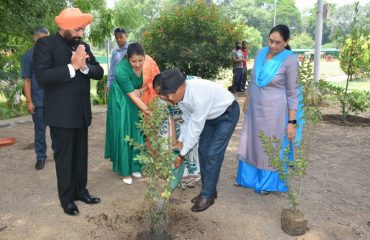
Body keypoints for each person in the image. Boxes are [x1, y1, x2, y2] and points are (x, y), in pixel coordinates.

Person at [33, 8, 104, 216]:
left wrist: (84, 68)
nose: (81, 33)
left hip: (81, 113)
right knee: (64, 159)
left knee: (81, 157)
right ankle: (67, 200)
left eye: (82, 29)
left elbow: (98, 72)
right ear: (63, 27)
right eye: (77, 29)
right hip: (61, 116)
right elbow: (42, 76)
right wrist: (72, 67)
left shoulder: (83, 45)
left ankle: (81, 192)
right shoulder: (45, 45)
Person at [155, 68, 240, 212]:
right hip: (210, 117)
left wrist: (182, 154)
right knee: (203, 151)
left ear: (182, 86)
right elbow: (187, 120)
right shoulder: (180, 97)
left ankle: (207, 196)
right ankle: (209, 191)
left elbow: (195, 128)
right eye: (167, 95)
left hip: (227, 115)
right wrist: (181, 141)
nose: (169, 98)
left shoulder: (199, 96)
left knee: (213, 154)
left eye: (171, 94)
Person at [235, 24, 304, 194]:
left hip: (275, 111)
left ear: (286, 42)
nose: (272, 46)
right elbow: (253, 79)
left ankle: (267, 183)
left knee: (270, 144)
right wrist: (248, 98)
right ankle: (247, 178)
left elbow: (292, 93)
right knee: (251, 140)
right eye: (270, 41)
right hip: (255, 108)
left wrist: (292, 122)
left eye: (278, 43)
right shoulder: (261, 53)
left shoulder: (290, 60)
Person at [104, 43, 151, 185]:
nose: (137, 64)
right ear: (127, 58)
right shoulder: (121, 69)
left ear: (144, 57)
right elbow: (132, 95)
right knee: (125, 132)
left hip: (134, 99)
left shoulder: (148, 64)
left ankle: (135, 165)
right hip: (121, 102)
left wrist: (141, 90)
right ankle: (125, 170)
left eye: (140, 60)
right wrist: (149, 112)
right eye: (133, 61)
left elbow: (146, 84)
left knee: (136, 130)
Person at [153, 75, 201, 189]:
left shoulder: (188, 89)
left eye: (161, 92)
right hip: (177, 120)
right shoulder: (161, 101)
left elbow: (194, 121)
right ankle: (178, 175)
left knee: (192, 141)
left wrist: (183, 142)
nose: (161, 96)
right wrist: (175, 142)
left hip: (194, 116)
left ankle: (191, 175)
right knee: (174, 144)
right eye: (157, 93)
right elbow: (168, 123)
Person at [21, 26, 55, 170]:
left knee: (56, 130)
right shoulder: (28, 56)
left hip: (54, 100)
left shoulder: (53, 54)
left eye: (47, 39)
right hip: (38, 100)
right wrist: (29, 101)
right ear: (35, 38)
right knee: (40, 131)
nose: (45, 42)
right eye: (42, 39)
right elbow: (27, 80)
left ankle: (58, 154)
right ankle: (40, 157)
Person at [106, 27, 130, 93]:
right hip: (117, 85)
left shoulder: (132, 48)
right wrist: (108, 84)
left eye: (121, 37)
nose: (119, 39)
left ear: (126, 36)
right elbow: (112, 69)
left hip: (130, 84)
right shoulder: (114, 52)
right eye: (117, 37)